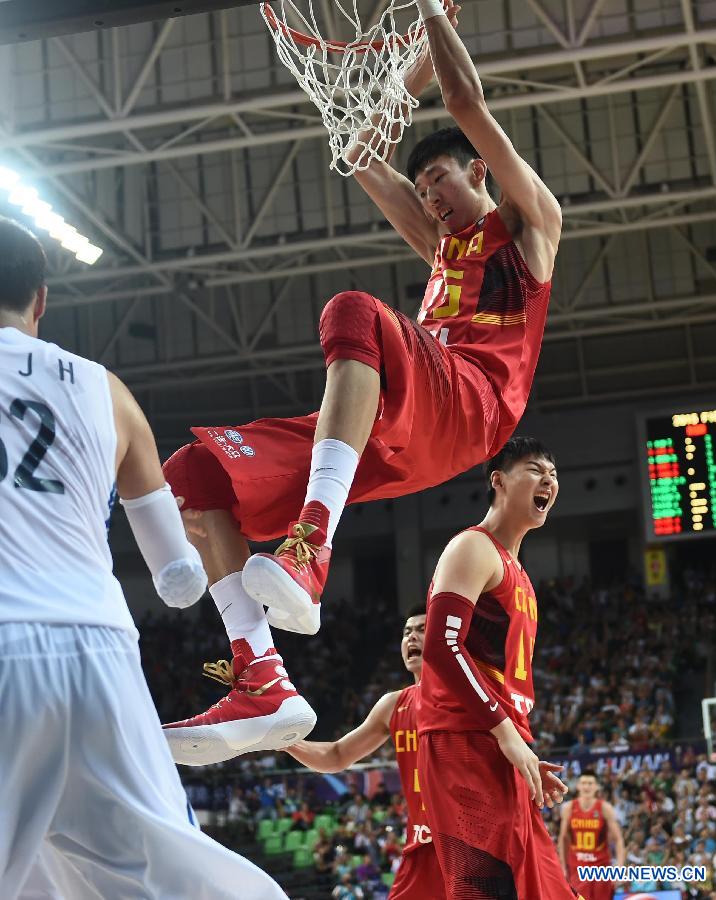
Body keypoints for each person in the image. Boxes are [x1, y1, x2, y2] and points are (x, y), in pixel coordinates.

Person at [162, 0, 562, 761]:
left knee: (354, 310)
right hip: (403, 424)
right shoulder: (440, 245)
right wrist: (376, 97)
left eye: (440, 178)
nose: (432, 196)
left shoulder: (528, 225)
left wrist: (432, 15)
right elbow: (356, 154)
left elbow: (466, 102)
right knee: (194, 472)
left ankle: (310, 545)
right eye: (424, 187)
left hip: (473, 408)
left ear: (477, 170)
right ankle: (260, 677)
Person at [0, 217, 287, 900]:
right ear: (42, 300)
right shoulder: (109, 391)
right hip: (100, 652)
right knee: (157, 864)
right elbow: (176, 575)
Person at [417, 436, 577, 899]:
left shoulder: (519, 571)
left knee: (544, 890)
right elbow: (440, 646)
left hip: (499, 739)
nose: (548, 479)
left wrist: (518, 740)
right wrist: (506, 733)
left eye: (553, 473)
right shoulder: (473, 547)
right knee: (485, 888)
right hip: (464, 739)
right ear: (498, 481)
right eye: (534, 469)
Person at [286, 607, 445, 899]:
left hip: (466, 846)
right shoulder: (393, 705)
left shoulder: (466, 696)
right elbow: (336, 755)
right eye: (407, 632)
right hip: (421, 847)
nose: (412, 637)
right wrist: (282, 741)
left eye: (422, 629)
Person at [558, 770, 626, 900]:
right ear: (578, 786)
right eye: (583, 783)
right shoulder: (569, 808)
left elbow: (618, 840)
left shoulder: (605, 808)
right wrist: (562, 866)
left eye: (590, 783)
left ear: (596, 787)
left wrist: (620, 868)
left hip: (601, 867)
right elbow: (563, 838)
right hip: (577, 867)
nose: (586, 787)